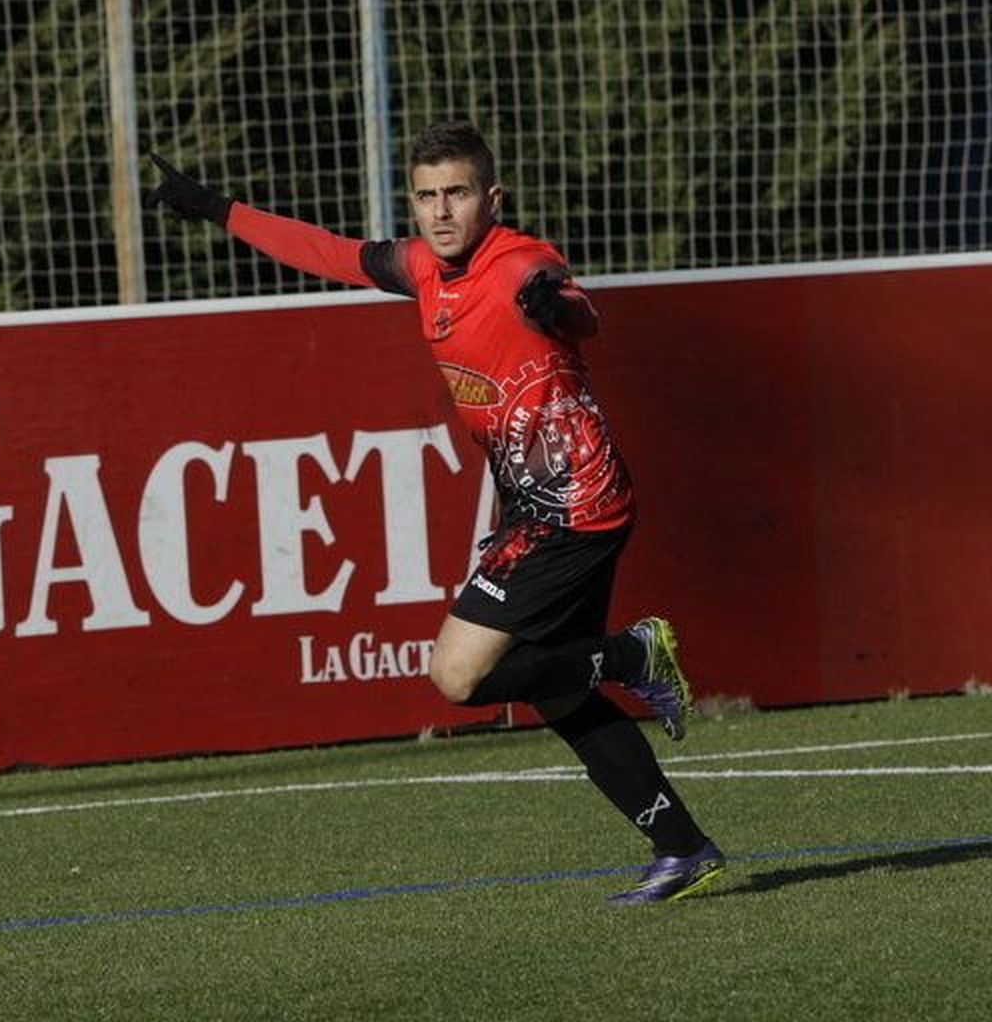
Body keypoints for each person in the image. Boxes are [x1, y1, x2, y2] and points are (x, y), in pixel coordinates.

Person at [147, 121, 723, 905]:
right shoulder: (421, 268)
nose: (441, 211)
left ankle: (632, 656)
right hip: (540, 507)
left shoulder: (522, 262)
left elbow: (577, 308)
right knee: (556, 691)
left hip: (573, 509)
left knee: (456, 676)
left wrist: (556, 303)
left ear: (492, 198)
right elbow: (324, 250)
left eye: (456, 193)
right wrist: (216, 208)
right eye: (426, 196)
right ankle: (681, 847)